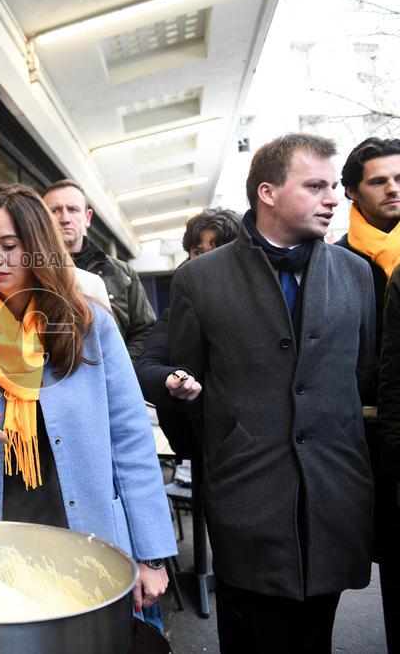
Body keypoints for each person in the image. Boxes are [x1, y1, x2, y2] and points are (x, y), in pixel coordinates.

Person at [0, 184, 176, 628]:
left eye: (9, 246)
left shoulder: (89, 326)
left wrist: (151, 553)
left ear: (37, 246)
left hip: (87, 534)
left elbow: (131, 442)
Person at [168, 133, 375, 652]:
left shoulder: (357, 274)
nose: (333, 198)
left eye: (334, 186)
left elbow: (363, 373)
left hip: (332, 493)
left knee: (315, 637)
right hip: (247, 494)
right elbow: (184, 384)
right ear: (267, 192)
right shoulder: (200, 279)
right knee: (250, 635)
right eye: (315, 186)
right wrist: (224, 449)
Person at [338, 136, 400, 653]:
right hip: (364, 431)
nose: (393, 189)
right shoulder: (335, 260)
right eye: (379, 180)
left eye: (399, 178)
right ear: (354, 192)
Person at [135, 208, 241, 458]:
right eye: (198, 253)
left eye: (218, 251)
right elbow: (147, 366)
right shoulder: (176, 315)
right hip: (206, 453)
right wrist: (172, 378)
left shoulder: (266, 309)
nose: (205, 262)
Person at [42, 179, 155, 359]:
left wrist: (122, 368)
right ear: (42, 219)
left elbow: (145, 330)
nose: (64, 219)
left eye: (73, 209)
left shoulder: (122, 273)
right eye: (55, 210)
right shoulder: (31, 273)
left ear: (87, 217)